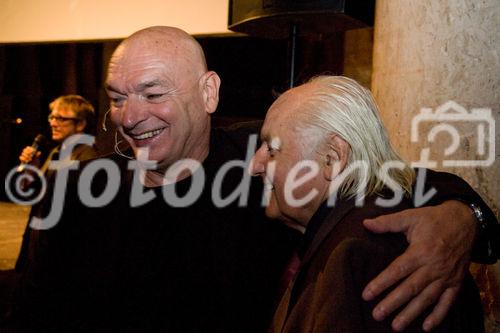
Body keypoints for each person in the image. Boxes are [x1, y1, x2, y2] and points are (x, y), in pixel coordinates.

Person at [3, 27, 497, 332]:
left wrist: (463, 219)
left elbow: (385, 173)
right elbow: (31, 314)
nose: (130, 116)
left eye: (152, 93)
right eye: (116, 96)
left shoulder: (261, 161)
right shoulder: (76, 188)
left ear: (209, 92)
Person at [250, 76, 488, 332]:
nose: (254, 166)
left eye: (272, 149)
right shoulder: (345, 232)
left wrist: (469, 215)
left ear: (332, 158)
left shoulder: (365, 249)